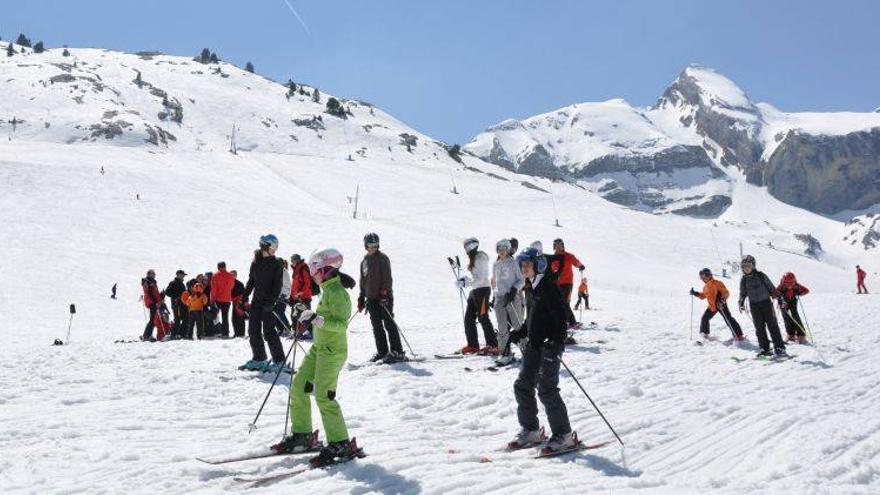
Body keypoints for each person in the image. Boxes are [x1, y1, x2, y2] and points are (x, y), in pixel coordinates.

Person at [272, 248, 359, 467]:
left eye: (315, 270)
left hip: (332, 351)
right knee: (299, 386)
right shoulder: (326, 290)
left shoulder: (338, 293)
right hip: (318, 348)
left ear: (327, 269)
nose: (312, 274)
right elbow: (319, 318)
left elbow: (340, 325)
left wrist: (317, 319)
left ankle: (341, 442)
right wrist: (303, 312)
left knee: (323, 396)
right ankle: (302, 434)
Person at [507, 247, 576, 454]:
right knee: (523, 385)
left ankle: (564, 435)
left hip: (550, 347)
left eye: (527, 264)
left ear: (538, 265)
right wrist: (520, 332)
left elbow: (561, 319)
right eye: (522, 265)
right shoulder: (531, 287)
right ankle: (531, 430)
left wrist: (555, 342)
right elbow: (533, 318)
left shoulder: (548, 285)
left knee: (547, 389)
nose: (523, 268)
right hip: (534, 345)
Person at [241, 235, 287, 372]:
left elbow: (277, 285)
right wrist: (244, 297)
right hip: (256, 301)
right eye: (273, 247)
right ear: (265, 246)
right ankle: (259, 358)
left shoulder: (277, 263)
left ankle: (279, 361)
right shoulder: (256, 262)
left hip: (269, 302)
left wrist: (271, 302)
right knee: (253, 330)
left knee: (268, 331)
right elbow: (251, 281)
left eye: (276, 247)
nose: (275, 250)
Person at [357, 233, 404, 363]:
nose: (373, 247)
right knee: (377, 326)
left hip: (384, 297)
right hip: (371, 298)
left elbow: (387, 278)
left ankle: (397, 351)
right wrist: (362, 296)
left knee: (389, 324)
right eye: (371, 245)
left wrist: (384, 294)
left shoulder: (382, 258)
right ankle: (382, 351)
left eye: (375, 245)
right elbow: (363, 280)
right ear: (366, 246)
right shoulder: (364, 261)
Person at [738, 255, 786, 358]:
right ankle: (764, 349)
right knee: (759, 328)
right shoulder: (744, 280)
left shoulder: (761, 276)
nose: (746, 268)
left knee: (772, 325)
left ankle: (779, 347)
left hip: (766, 304)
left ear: (753, 266)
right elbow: (742, 294)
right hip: (754, 306)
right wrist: (741, 303)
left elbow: (772, 288)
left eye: (748, 266)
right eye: (744, 266)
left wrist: (780, 298)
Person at [456, 238, 498, 355]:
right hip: (475, 291)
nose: (465, 249)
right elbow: (476, 278)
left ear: (471, 246)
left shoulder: (480, 258)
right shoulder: (474, 258)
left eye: (466, 247)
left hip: (483, 291)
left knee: (483, 317)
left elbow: (482, 279)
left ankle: (493, 345)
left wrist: (467, 282)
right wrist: (465, 280)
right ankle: (473, 345)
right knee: (469, 318)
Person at [491, 238, 525, 365]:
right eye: (499, 249)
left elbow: (521, 280)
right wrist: (493, 297)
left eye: (504, 249)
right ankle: (506, 354)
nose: (502, 251)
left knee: (518, 325)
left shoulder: (513, 263)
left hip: (511, 297)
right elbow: (495, 283)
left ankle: (526, 352)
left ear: (508, 249)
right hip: (499, 298)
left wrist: (513, 290)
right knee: (502, 327)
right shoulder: (495, 264)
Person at [689, 268, 744, 340]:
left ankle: (739, 335)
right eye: (702, 277)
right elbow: (703, 296)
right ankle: (704, 333)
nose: (704, 278)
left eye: (705, 276)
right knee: (704, 318)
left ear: (709, 275)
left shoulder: (717, 283)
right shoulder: (705, 287)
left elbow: (726, 292)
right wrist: (695, 293)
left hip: (721, 305)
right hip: (712, 306)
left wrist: (721, 300)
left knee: (728, 319)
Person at [548, 239, 585, 328]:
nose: (557, 247)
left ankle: (572, 322)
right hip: (557, 284)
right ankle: (563, 321)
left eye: (559, 245)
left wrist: (580, 265)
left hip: (567, 283)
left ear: (562, 246)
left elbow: (576, 261)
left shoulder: (568, 256)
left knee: (564, 302)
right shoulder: (553, 258)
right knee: (558, 303)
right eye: (556, 245)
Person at [777, 272, 810, 344]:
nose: (789, 285)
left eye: (791, 283)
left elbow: (806, 290)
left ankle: (801, 335)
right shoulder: (781, 287)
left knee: (795, 317)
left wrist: (800, 292)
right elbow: (775, 293)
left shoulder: (796, 286)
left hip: (792, 303)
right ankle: (790, 335)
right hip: (783, 303)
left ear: (794, 281)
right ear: (783, 282)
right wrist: (778, 298)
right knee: (786, 318)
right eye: (787, 283)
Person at [290, 254, 315, 340]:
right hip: (297, 297)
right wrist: (292, 295)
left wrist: (300, 293)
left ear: (296, 261)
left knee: (306, 316)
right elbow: (295, 285)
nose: (291, 263)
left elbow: (307, 284)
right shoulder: (297, 269)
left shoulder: (303, 269)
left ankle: (312, 332)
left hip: (304, 297)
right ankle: (297, 333)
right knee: (295, 315)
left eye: (292, 261)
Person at [211, 262, 235, 338]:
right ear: (225, 266)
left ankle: (216, 331)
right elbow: (232, 286)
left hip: (218, 299)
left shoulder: (215, 276)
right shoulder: (231, 276)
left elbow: (214, 289)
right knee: (225, 317)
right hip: (227, 299)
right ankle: (225, 333)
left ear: (218, 267)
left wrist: (212, 299)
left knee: (215, 316)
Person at [164, 270, 188, 339]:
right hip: (176, 304)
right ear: (178, 275)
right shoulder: (173, 283)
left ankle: (181, 334)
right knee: (177, 319)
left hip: (183, 304)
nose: (183, 276)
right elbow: (167, 292)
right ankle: (173, 334)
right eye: (182, 274)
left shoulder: (182, 283)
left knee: (185, 318)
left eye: (184, 275)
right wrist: (176, 297)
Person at [141, 269, 162, 342]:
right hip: (152, 302)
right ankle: (147, 335)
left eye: (154, 274)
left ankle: (147, 334)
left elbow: (155, 292)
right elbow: (148, 291)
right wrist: (155, 300)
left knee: (153, 319)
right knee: (153, 319)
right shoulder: (147, 281)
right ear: (149, 274)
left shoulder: (152, 282)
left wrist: (159, 299)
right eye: (153, 274)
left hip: (154, 301)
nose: (154, 275)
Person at [231, 270, 247, 338]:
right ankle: (236, 333)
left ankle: (241, 333)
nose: (232, 276)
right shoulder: (230, 283)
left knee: (240, 318)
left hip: (240, 302)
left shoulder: (239, 283)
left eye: (233, 275)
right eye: (231, 275)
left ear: (236, 275)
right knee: (234, 319)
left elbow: (244, 293)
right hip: (234, 303)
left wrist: (244, 301)